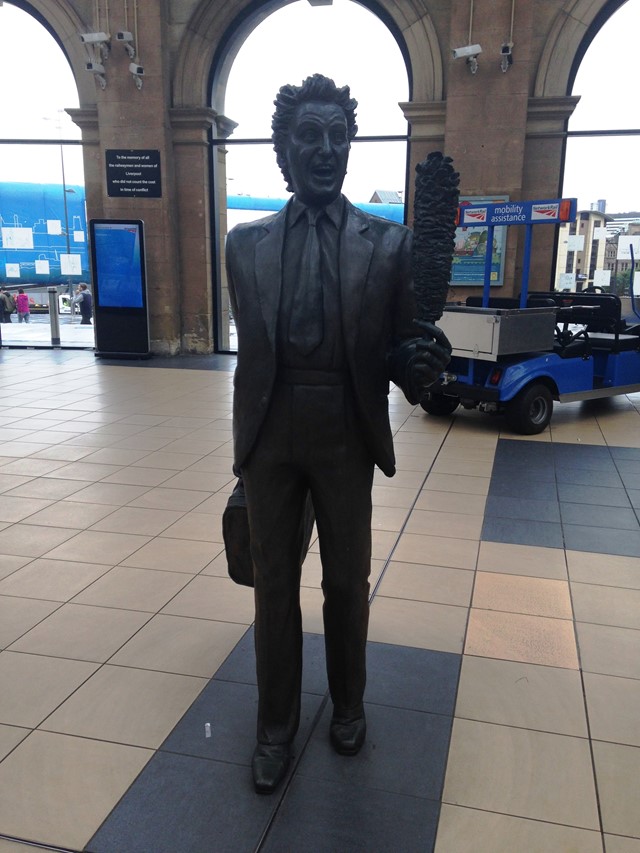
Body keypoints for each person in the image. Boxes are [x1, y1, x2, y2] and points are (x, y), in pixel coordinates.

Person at [226, 73, 452, 795]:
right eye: (308, 135)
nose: (324, 149)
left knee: (347, 582)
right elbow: (255, 354)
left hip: (346, 431)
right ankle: (275, 726)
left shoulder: (388, 246)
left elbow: (395, 348)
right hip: (271, 435)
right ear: (283, 149)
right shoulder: (244, 245)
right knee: (272, 588)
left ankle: (349, 704)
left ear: (349, 145)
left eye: (337, 135)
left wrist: (417, 364)